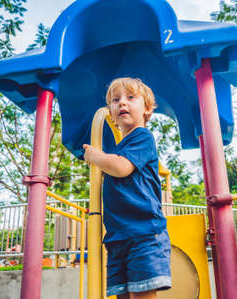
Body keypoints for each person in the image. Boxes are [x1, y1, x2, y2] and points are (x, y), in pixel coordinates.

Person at [83, 77, 171, 299]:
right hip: (118, 236)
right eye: (115, 100)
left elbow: (122, 168)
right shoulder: (119, 147)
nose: (122, 103)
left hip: (143, 233)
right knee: (121, 295)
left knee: (142, 293)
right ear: (111, 113)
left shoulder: (142, 137)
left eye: (131, 98)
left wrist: (97, 157)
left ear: (147, 109)